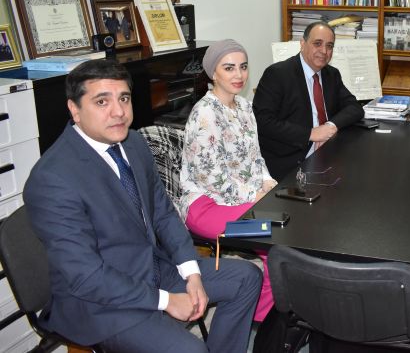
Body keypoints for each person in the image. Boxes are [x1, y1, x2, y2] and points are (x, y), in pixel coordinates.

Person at [23, 59, 262, 353]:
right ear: (75, 109)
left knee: (247, 277)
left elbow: (163, 213)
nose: (119, 112)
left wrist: (191, 272)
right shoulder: (53, 178)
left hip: (153, 268)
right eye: (102, 101)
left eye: (124, 98)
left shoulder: (133, 143)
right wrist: (166, 300)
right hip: (101, 303)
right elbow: (86, 276)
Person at [178, 39, 277, 323]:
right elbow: (210, 176)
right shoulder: (204, 113)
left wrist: (268, 183)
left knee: (284, 223)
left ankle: (268, 310)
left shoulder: (245, 107)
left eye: (243, 67)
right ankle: (259, 317)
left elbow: (256, 156)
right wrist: (254, 197)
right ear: (213, 73)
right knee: (273, 234)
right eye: (229, 68)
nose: (239, 75)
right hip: (206, 205)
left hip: (243, 199)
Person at [253, 21, 364, 180]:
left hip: (327, 152)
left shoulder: (331, 74)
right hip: (291, 161)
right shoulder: (277, 74)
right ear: (302, 43)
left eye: (329, 46)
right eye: (317, 43)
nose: (324, 51)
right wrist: (310, 134)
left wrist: (330, 126)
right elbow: (263, 122)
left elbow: (354, 107)